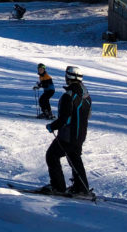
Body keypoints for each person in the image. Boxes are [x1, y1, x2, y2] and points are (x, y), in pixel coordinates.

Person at [43, 65, 92, 196]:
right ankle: (81, 187)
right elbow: (87, 116)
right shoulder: (86, 95)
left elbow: (65, 118)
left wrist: (52, 126)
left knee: (52, 156)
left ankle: (58, 186)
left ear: (68, 78)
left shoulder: (68, 96)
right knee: (74, 158)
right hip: (80, 135)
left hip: (67, 136)